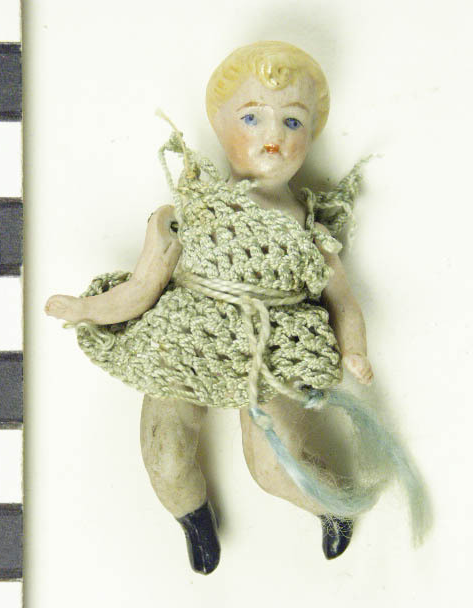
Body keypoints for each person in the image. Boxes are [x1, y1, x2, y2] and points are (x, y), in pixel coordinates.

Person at [45, 42, 425, 574]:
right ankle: (193, 519)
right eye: (252, 117)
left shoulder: (310, 233)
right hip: (184, 338)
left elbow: (343, 301)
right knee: (167, 455)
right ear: (219, 125)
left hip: (271, 349)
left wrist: (353, 351)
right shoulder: (190, 211)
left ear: (311, 135)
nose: (274, 136)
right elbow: (144, 286)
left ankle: (330, 507)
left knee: (274, 467)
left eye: (293, 121)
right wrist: (88, 308)